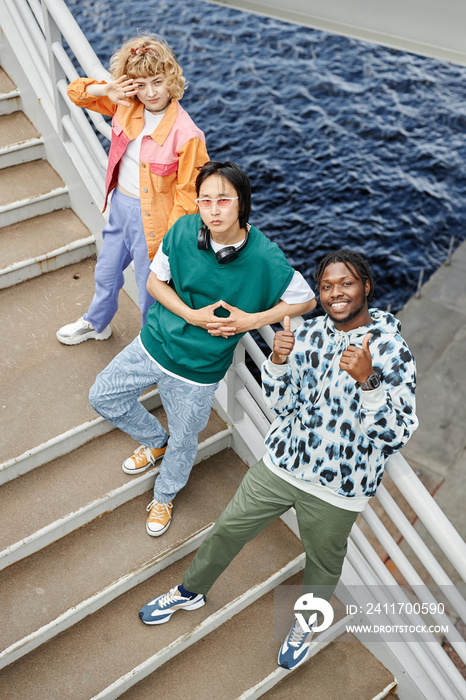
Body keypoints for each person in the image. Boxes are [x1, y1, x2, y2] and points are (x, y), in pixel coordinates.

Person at [137, 250, 418, 672]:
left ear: (366, 287)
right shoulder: (310, 335)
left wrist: (370, 381)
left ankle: (305, 624)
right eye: (326, 286)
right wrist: (279, 362)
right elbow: (283, 404)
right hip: (283, 464)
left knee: (322, 567)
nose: (335, 293)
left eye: (346, 284)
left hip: (339, 490)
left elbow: (394, 435)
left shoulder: (393, 352)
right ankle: (190, 591)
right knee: (227, 528)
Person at [89, 161, 316, 536]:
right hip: (154, 344)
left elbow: (306, 301)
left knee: (185, 440)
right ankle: (154, 441)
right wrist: (192, 315)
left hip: (200, 371)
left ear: (242, 204)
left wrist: (250, 322)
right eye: (205, 200)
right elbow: (156, 284)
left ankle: (164, 495)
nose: (212, 210)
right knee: (103, 396)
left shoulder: (264, 256)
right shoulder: (182, 230)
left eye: (223, 201)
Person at [57, 34, 208, 345]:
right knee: (106, 272)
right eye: (140, 84)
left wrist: (170, 241)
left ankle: (150, 344)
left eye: (157, 81)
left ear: (171, 79)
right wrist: (107, 89)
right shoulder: (126, 105)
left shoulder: (187, 134)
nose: (150, 92)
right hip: (120, 207)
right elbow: (76, 93)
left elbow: (189, 196)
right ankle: (97, 323)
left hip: (154, 223)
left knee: (148, 287)